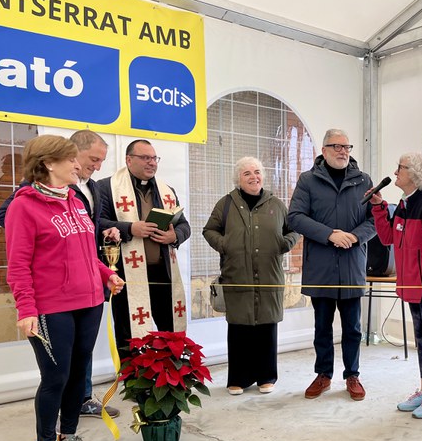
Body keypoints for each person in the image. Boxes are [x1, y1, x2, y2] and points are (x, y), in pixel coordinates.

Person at [4, 135, 124, 441]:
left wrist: (105, 275)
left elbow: (87, 252)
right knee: (55, 376)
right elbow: (18, 265)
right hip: (49, 307)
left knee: (76, 374)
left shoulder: (75, 200)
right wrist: (26, 308)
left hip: (89, 302)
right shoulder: (23, 206)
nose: (78, 165)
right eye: (71, 159)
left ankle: (68, 435)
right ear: (48, 164)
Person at [287, 129, 375, 401]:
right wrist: (329, 235)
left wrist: (354, 236)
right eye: (336, 146)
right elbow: (295, 218)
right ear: (323, 151)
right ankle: (323, 374)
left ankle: (352, 375)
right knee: (322, 326)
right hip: (321, 268)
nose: (342, 151)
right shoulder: (308, 180)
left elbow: (374, 220)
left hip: (351, 265)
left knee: (353, 327)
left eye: (346, 146)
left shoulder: (364, 181)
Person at [203, 157, 300, 395]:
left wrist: (284, 244)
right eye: (247, 173)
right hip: (237, 275)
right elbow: (209, 230)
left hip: (270, 275)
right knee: (239, 327)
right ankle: (239, 378)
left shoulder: (276, 204)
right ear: (239, 179)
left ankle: (266, 376)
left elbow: (294, 229)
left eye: (257, 172)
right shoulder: (226, 204)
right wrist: (224, 244)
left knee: (266, 327)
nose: (253, 177)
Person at [369, 153, 422, 418]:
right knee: (421, 340)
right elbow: (386, 239)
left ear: (414, 173)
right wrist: (380, 207)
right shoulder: (405, 205)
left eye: (400, 168)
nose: (395, 172)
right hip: (411, 288)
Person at [98, 140, 191, 359]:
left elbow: (184, 225)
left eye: (154, 158)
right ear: (129, 160)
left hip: (162, 272)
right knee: (128, 330)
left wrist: (174, 236)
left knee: (168, 329)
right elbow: (96, 223)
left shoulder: (166, 190)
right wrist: (130, 227)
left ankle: (170, 381)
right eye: (145, 158)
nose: (152, 163)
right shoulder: (106, 187)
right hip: (127, 275)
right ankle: (134, 384)